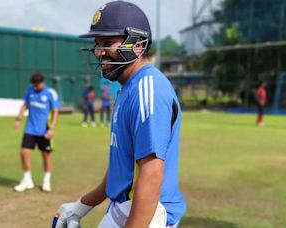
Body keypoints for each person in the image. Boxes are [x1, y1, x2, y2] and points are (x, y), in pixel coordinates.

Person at [53, 1, 186, 227]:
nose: (99, 52)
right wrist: (82, 205)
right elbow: (121, 168)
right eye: (97, 44)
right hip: (125, 208)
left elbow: (152, 175)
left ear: (138, 45)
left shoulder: (148, 90)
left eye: (107, 43)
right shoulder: (129, 87)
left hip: (147, 214)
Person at [14, 72, 60, 192]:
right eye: (33, 85)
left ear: (42, 83)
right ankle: (27, 180)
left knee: (46, 156)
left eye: (37, 85)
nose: (35, 87)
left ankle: (46, 181)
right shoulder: (30, 89)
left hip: (45, 129)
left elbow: (55, 111)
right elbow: (25, 105)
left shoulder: (51, 93)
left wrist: (52, 128)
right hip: (30, 128)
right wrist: (18, 119)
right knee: (23, 153)